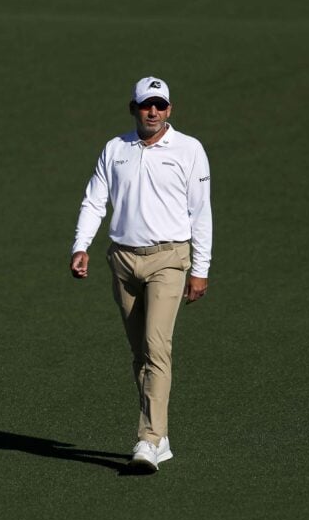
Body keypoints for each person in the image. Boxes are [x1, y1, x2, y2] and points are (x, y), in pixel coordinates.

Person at [69, 76, 212, 473]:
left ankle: (148, 440)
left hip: (169, 259)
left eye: (160, 105)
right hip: (123, 261)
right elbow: (95, 200)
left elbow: (201, 212)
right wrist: (81, 246)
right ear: (132, 108)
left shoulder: (189, 150)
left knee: (156, 346)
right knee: (140, 353)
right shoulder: (116, 150)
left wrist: (200, 269)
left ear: (169, 109)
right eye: (146, 105)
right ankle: (161, 436)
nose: (154, 112)